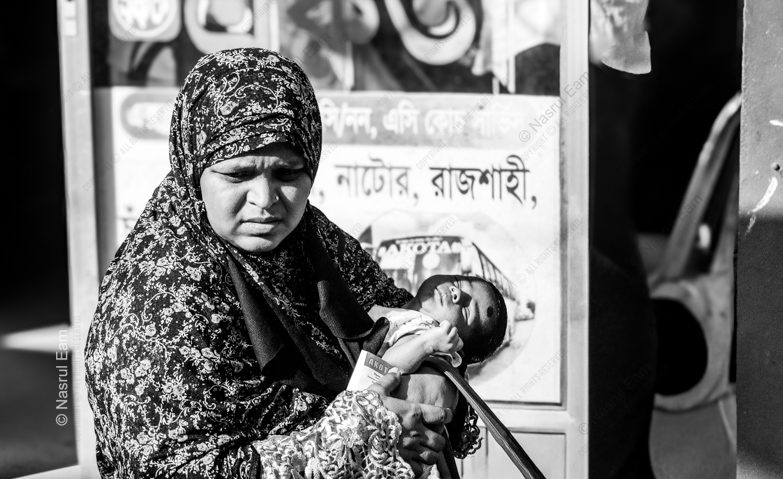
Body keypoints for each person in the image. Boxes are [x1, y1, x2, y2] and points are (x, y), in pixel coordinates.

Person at [84, 48, 477, 479]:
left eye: (288, 174)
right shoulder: (156, 300)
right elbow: (179, 470)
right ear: (193, 168)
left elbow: (397, 313)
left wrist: (435, 389)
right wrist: (369, 433)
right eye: (237, 175)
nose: (265, 200)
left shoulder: (309, 238)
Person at [372, 274, 508, 374]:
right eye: (458, 282)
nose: (457, 293)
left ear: (455, 345)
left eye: (466, 311)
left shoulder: (425, 330)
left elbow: (389, 364)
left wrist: (427, 344)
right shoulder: (405, 313)